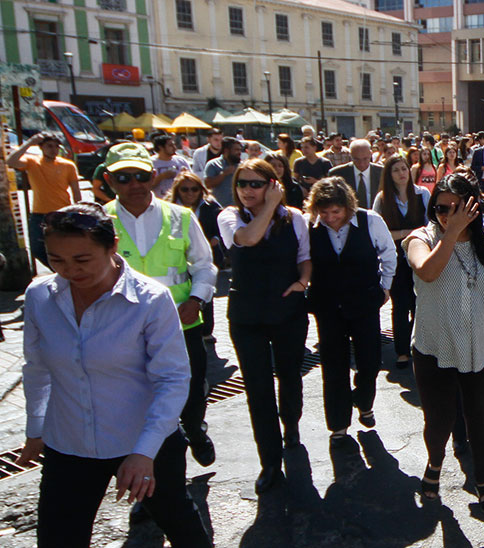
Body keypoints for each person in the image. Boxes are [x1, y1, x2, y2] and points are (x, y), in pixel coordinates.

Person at [18, 203, 212, 547]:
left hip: (144, 439)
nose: (69, 271)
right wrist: (36, 429)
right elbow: (37, 368)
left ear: (112, 245)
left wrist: (144, 453)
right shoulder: (40, 296)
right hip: (69, 443)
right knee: (57, 537)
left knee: (183, 529)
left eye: (82, 259)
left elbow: (172, 379)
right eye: (56, 260)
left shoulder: (151, 300)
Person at [404, 174, 484, 515]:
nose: (447, 215)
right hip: (434, 347)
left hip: (480, 347)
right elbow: (427, 272)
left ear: (473, 205)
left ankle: (483, 480)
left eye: (456, 208)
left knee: (478, 418)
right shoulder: (421, 238)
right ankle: (435, 464)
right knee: (439, 420)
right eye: (441, 208)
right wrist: (452, 232)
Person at [103, 143, 217, 468]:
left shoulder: (180, 216)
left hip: (182, 324)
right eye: (124, 177)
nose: (133, 184)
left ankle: (195, 429)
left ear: (153, 176)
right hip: (125, 330)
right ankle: (152, 485)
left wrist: (197, 300)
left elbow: (204, 265)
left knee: (193, 389)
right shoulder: (100, 220)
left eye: (140, 176)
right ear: (110, 181)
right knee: (140, 403)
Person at [217, 159, 310, 494]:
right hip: (247, 315)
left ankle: (292, 425)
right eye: (243, 183)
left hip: (287, 310)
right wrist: (269, 206)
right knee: (257, 389)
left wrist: (303, 282)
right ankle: (269, 460)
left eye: (256, 184)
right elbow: (249, 239)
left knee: (289, 375)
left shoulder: (295, 217)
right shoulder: (229, 216)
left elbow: (304, 256)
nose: (247, 190)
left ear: (273, 184)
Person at [306, 177, 396, 446]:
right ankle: (338, 423)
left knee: (369, 361)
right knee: (333, 366)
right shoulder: (310, 226)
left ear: (347, 206)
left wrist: (385, 287)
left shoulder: (370, 221)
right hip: (328, 305)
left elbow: (388, 253)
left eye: (336, 212)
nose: (331, 218)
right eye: (324, 213)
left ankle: (364, 401)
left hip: (364, 301)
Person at [374, 155, 430, 368]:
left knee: (420, 302)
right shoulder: (382, 199)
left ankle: (420, 344)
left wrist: (410, 235)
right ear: (389, 175)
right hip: (395, 258)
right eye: (396, 170)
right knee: (400, 304)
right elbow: (380, 233)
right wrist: (407, 232)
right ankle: (401, 351)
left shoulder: (421, 194)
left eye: (404, 168)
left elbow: (429, 225)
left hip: (419, 255)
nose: (402, 173)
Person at [7, 133, 81, 267]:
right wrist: (30, 142)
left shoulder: (67, 165)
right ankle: (60, 271)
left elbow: (76, 191)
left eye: (56, 147)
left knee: (63, 248)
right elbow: (11, 161)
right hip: (39, 214)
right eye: (49, 146)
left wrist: (79, 211)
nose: (53, 150)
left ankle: (65, 273)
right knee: (37, 249)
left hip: (62, 213)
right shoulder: (32, 162)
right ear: (41, 148)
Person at [166, 171, 224, 341]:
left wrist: (215, 238)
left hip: (205, 256)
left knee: (205, 290)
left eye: (194, 189)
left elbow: (220, 226)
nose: (190, 193)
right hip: (178, 258)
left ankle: (206, 330)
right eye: (185, 189)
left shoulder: (210, 206)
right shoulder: (168, 209)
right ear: (178, 190)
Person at [328, 139, 384, 209]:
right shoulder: (337, 174)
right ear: (350, 155)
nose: (361, 163)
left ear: (371, 154)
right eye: (356, 159)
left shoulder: (382, 172)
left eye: (365, 159)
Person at [204, 136, 244, 208]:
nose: (239, 152)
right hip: (219, 208)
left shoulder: (242, 166)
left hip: (239, 209)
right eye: (236, 150)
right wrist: (224, 174)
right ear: (226, 151)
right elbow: (208, 184)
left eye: (240, 150)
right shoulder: (213, 164)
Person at [151, 134, 191, 198]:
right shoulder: (151, 163)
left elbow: (193, 181)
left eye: (174, 145)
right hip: (160, 200)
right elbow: (147, 186)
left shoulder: (181, 161)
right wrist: (162, 177)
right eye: (170, 145)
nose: (174, 148)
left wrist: (185, 175)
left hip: (179, 200)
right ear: (160, 147)